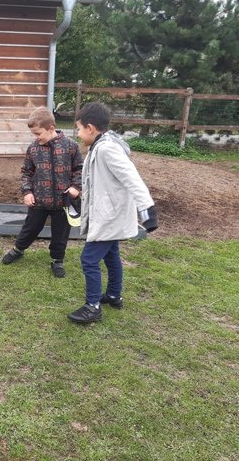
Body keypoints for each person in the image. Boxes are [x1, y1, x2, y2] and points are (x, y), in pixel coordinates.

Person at [68, 102, 158, 324]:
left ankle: (93, 307)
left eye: (79, 129)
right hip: (108, 213)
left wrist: (147, 210)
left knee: (89, 259)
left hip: (109, 217)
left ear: (90, 128)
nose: (78, 134)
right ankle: (114, 295)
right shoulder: (100, 146)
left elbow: (132, 178)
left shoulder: (107, 148)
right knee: (111, 255)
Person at [1, 107, 83, 278]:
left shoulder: (71, 146)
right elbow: (26, 172)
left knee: (60, 234)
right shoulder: (33, 149)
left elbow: (79, 169)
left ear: (51, 128)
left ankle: (57, 260)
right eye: (33, 134)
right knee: (30, 228)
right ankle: (18, 249)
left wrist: (76, 187)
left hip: (63, 201)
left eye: (38, 133)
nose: (36, 137)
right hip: (38, 201)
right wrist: (27, 192)